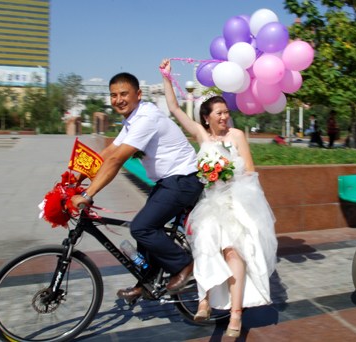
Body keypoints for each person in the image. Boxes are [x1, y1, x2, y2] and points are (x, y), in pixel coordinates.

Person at [160, 59, 277, 338]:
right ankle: (204, 301)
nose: (225, 117)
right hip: (211, 203)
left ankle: (236, 316)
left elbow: (250, 171)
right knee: (205, 242)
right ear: (206, 118)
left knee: (234, 252)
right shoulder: (202, 135)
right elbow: (175, 109)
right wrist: (166, 78)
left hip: (238, 201)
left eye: (226, 112)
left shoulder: (237, 136)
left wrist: (228, 176)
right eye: (219, 113)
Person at [71, 72, 204, 302]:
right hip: (168, 181)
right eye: (113, 95)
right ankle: (147, 281)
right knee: (144, 227)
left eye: (124, 94)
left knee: (141, 228)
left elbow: (116, 160)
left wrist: (88, 194)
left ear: (138, 94)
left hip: (183, 180)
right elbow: (109, 152)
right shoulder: (132, 119)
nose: (118, 99)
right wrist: (75, 179)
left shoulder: (146, 118)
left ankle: (184, 265)